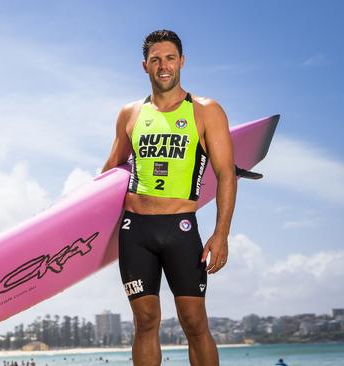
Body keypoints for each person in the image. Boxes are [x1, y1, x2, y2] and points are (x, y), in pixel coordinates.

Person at [102, 29, 236, 366]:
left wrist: (221, 234)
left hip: (181, 229)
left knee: (194, 323)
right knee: (145, 322)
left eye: (170, 58)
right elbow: (110, 170)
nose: (164, 66)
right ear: (144, 66)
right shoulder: (130, 114)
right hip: (135, 231)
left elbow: (226, 175)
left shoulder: (206, 111)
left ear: (182, 62)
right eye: (156, 59)